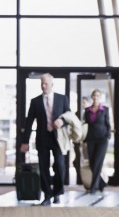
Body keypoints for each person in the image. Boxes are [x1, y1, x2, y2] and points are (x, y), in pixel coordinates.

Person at [20, 73, 70, 206]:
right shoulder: (35, 101)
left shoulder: (62, 98)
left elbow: (69, 116)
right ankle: (47, 195)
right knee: (43, 167)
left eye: (46, 83)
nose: (43, 85)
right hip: (42, 138)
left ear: (52, 84)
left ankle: (57, 192)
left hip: (57, 138)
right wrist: (25, 142)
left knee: (60, 166)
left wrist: (62, 121)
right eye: (42, 83)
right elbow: (29, 122)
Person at [83, 89, 111, 194]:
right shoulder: (87, 110)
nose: (96, 97)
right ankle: (102, 183)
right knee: (92, 163)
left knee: (97, 163)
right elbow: (86, 125)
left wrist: (108, 136)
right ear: (92, 97)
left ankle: (93, 188)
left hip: (102, 140)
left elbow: (108, 124)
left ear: (100, 97)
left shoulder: (105, 109)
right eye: (94, 95)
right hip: (90, 139)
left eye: (98, 96)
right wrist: (84, 139)